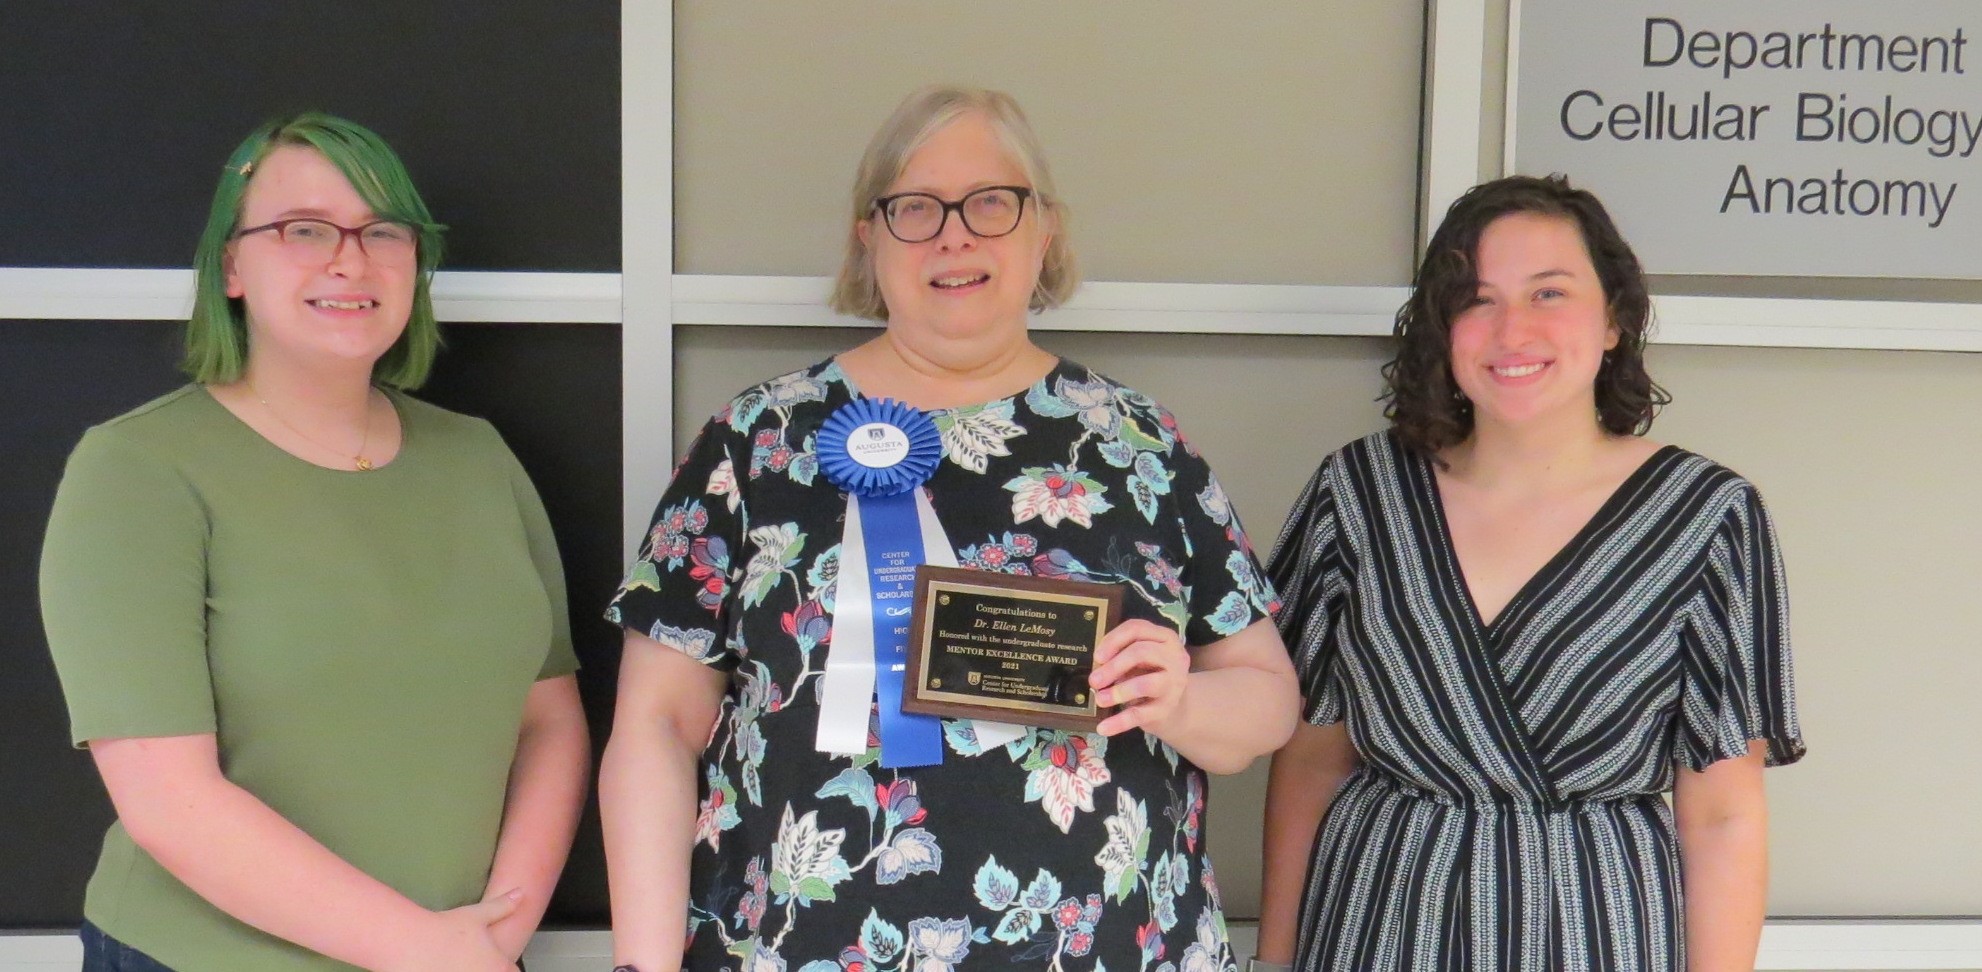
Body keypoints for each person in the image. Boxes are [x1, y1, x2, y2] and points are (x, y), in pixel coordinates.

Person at [601, 85, 1300, 972]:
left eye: (991, 203)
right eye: (915, 208)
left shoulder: (1140, 446)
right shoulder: (758, 443)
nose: (954, 235)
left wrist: (1185, 700)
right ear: (869, 237)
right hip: (794, 951)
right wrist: (642, 963)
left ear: (1043, 229)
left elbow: (1269, 701)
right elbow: (656, 727)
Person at [39, 113, 590, 972]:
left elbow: (549, 722)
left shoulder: (479, 458)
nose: (350, 259)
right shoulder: (137, 470)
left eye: (383, 232)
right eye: (304, 230)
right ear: (230, 263)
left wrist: (496, 937)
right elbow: (168, 798)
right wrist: (428, 954)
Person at [1252, 174, 1805, 972]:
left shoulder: (1707, 516)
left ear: (1613, 318)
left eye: (1550, 293)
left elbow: (1721, 813)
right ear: (1443, 329)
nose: (1513, 329)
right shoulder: (1361, 494)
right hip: (1375, 921)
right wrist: (1275, 959)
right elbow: (1310, 759)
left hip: (1597, 929)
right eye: (1476, 299)